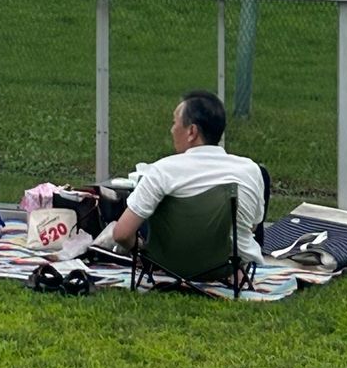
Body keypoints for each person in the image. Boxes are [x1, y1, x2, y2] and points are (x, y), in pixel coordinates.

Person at [94, 89, 265, 264]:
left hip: (172, 266)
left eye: (174, 123)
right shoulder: (251, 170)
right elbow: (253, 226)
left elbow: (121, 234)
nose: (171, 129)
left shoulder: (162, 170)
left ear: (192, 131)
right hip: (233, 269)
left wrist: (143, 251)